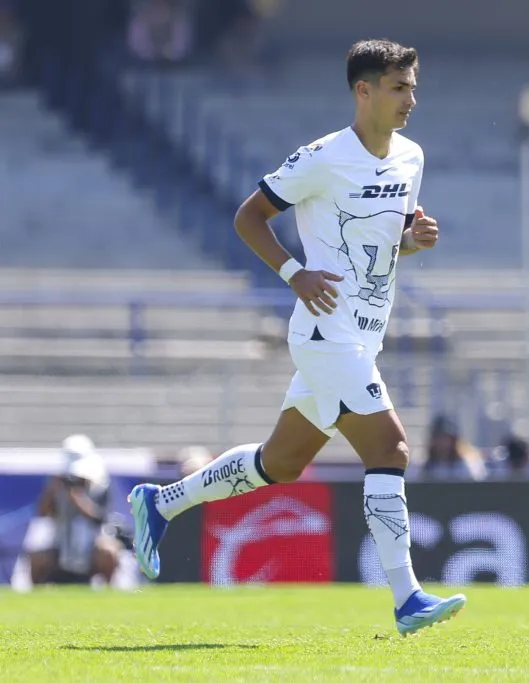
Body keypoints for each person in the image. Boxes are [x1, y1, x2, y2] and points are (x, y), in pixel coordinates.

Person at [128, 39, 466, 635]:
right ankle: (407, 597)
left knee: (280, 463)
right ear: (363, 91)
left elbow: (386, 244)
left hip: (364, 334)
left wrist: (413, 240)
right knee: (390, 451)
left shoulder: (411, 157)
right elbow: (247, 216)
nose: (411, 98)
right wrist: (294, 273)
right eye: (398, 87)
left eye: (413, 86)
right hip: (324, 331)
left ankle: (161, 502)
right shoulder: (322, 157)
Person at [23, 435, 122, 586]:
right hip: (61, 547)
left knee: (109, 552)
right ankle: (35, 598)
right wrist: (52, 491)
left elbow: (100, 518)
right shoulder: (57, 488)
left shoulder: (100, 487)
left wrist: (77, 498)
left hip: (90, 548)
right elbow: (42, 514)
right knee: (37, 558)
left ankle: (109, 591)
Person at [419, 414, 488, 482]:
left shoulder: (465, 467)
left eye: (446, 438)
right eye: (439, 438)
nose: (442, 443)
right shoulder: (426, 468)